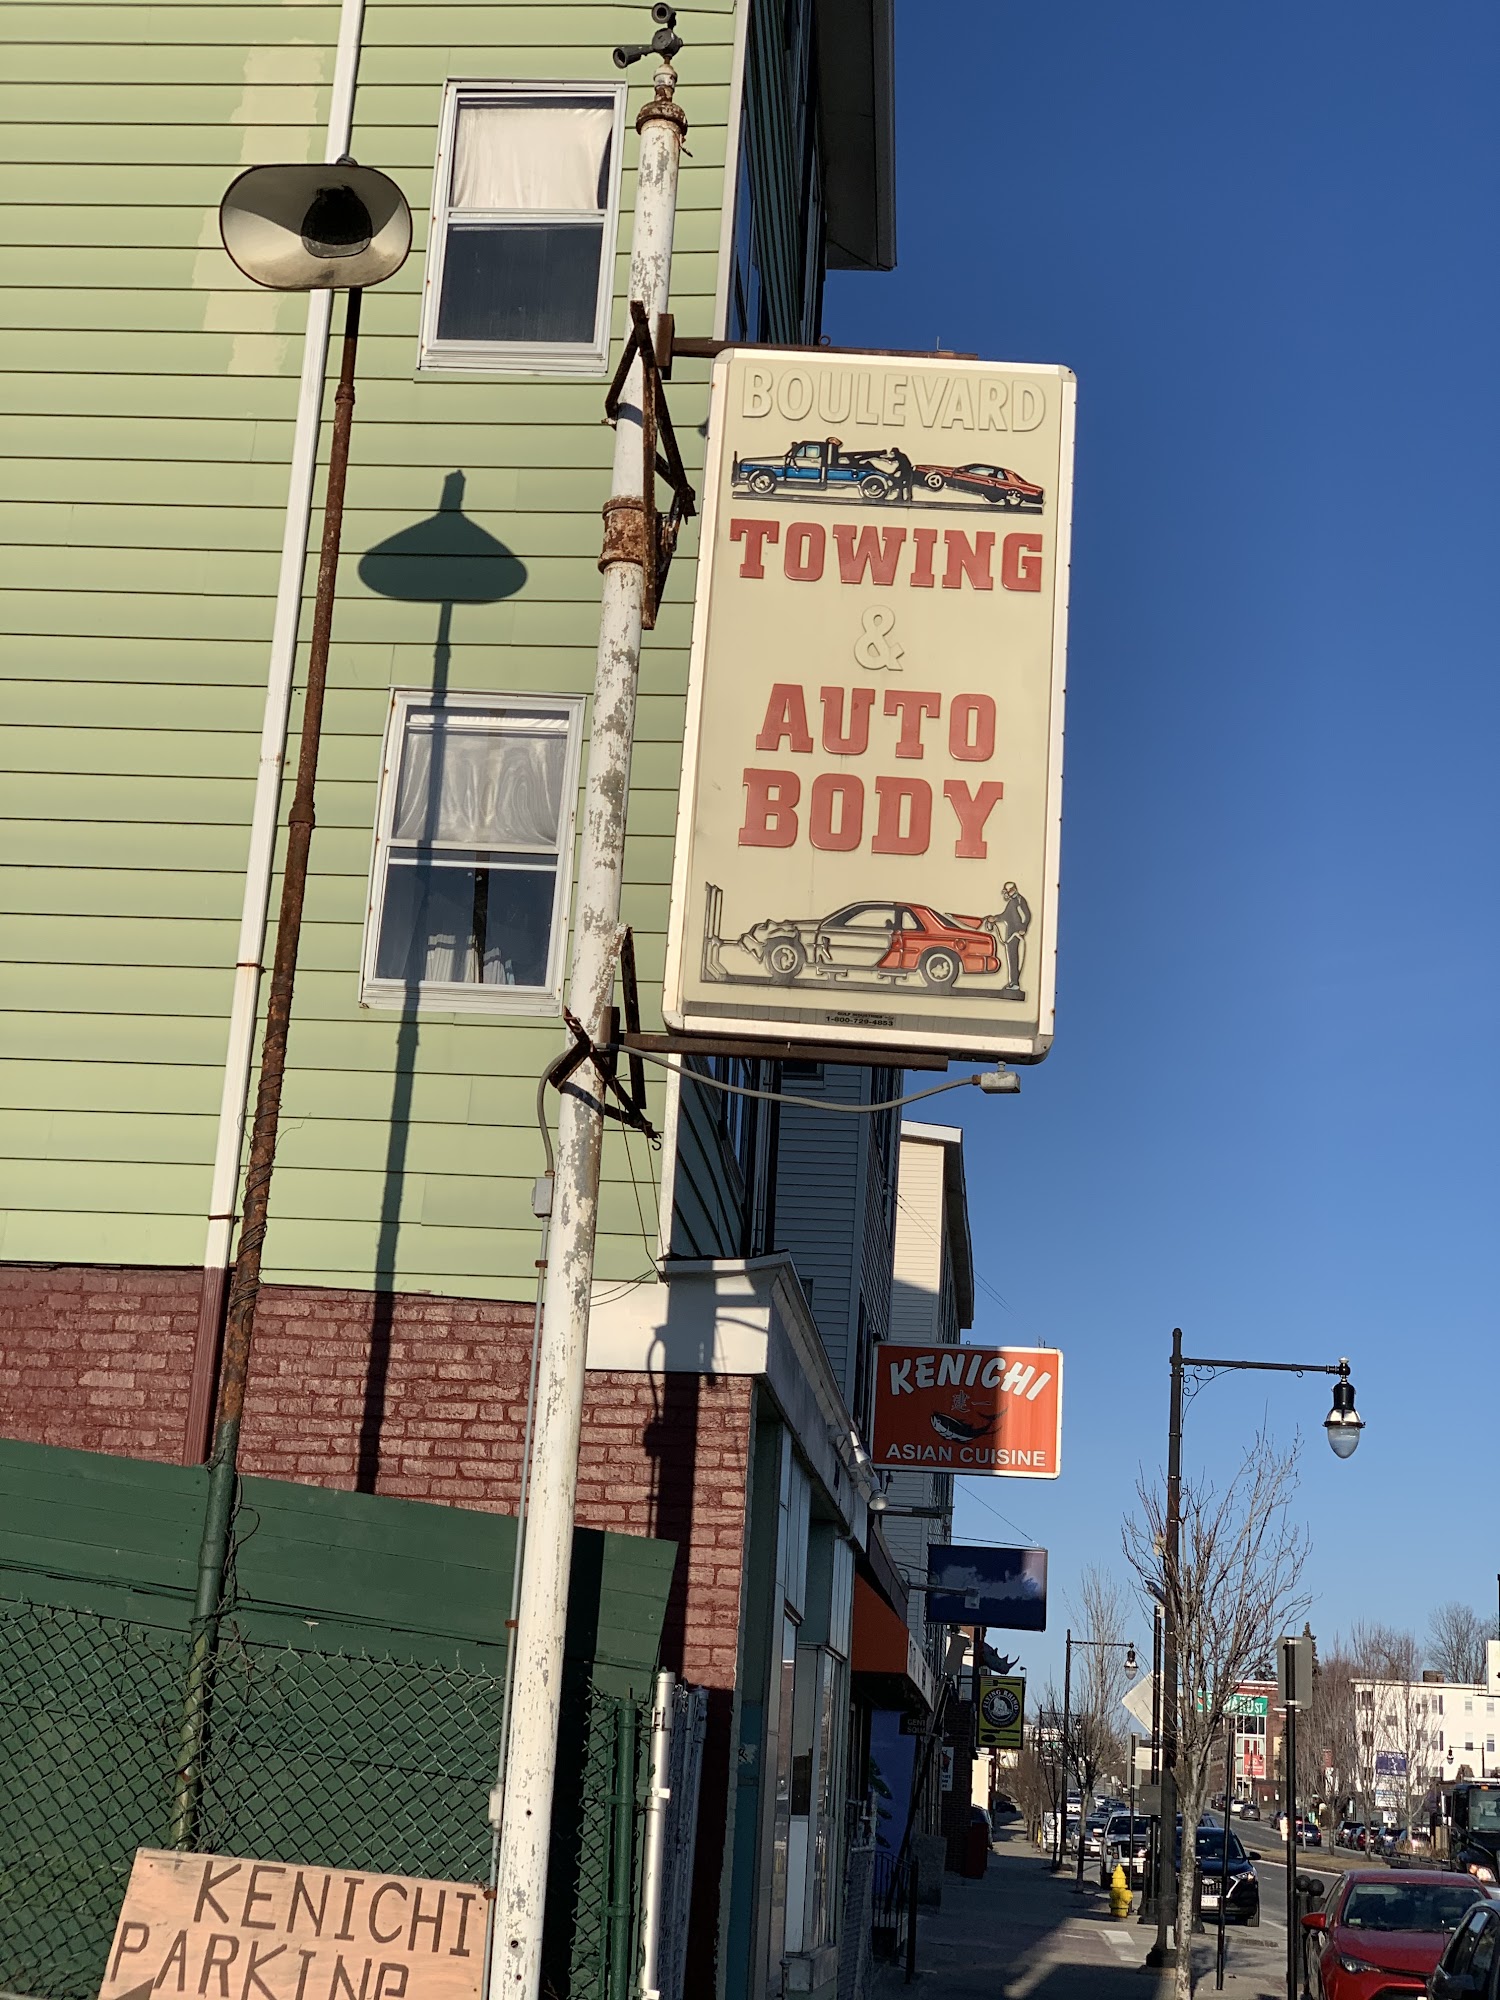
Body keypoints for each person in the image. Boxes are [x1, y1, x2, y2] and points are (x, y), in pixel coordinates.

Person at [996, 881, 1031, 997]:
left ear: (1014, 889)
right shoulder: (1012, 902)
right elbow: (1005, 916)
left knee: (1014, 958)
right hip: (1010, 933)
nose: (1008, 893)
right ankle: (1013, 982)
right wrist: (994, 918)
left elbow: (1026, 915)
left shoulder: (1019, 901)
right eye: (1006, 891)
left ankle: (1015, 983)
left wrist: (1023, 928)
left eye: (1010, 890)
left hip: (1015, 933)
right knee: (1011, 957)